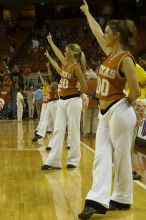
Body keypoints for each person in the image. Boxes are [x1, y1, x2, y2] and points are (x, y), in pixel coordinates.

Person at [78, 1, 140, 219]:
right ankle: (98, 199)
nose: (103, 35)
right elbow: (95, 31)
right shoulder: (110, 53)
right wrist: (87, 13)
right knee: (101, 156)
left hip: (119, 111)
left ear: (116, 35)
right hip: (105, 114)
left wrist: (125, 106)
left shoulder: (125, 58)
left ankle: (122, 198)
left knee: (121, 157)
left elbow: (135, 92)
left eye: (107, 32)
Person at [41, 33, 87, 170]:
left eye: (67, 51)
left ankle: (74, 160)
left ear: (72, 53)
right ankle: (54, 161)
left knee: (73, 130)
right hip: (62, 101)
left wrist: (78, 95)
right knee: (58, 129)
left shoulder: (76, 67)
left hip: (73, 101)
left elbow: (84, 86)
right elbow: (58, 53)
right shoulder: (66, 64)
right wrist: (50, 41)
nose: (64, 52)